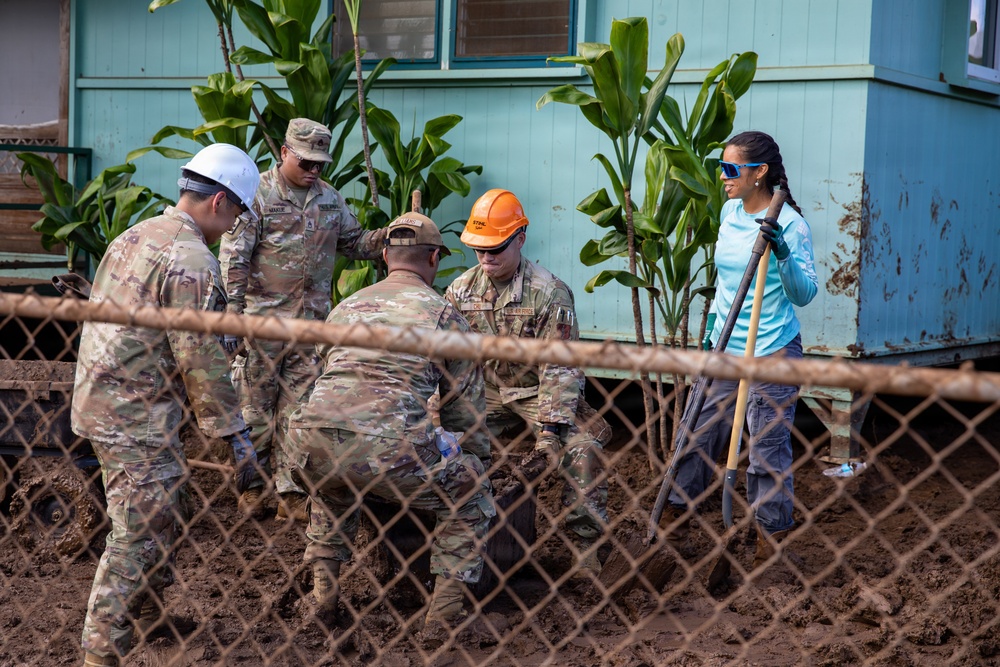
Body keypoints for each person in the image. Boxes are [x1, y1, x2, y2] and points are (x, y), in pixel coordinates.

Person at [72, 143, 260, 666]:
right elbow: (199, 355)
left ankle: (148, 614)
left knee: (164, 504)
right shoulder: (193, 259)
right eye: (238, 213)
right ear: (219, 202)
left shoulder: (136, 233)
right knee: (137, 531)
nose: (235, 226)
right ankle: (100, 653)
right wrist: (234, 435)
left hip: (105, 396)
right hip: (137, 412)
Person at [285, 212, 495, 638]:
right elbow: (463, 412)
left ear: (384, 256)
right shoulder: (444, 315)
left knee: (332, 486)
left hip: (312, 439)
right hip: (390, 449)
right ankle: (444, 617)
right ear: (434, 258)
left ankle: (324, 598)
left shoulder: (346, 308)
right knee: (471, 492)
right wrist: (475, 461)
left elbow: (321, 381)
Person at [220, 118, 388, 523]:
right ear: (284, 152)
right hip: (261, 326)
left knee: (300, 413)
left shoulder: (329, 199)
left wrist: (390, 237)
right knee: (254, 411)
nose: (313, 171)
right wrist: (233, 314)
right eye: (306, 162)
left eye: (320, 164)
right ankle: (252, 488)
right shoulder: (257, 195)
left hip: (310, 328)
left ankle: (290, 491)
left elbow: (354, 242)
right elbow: (235, 257)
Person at [665, 130, 818, 567]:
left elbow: (805, 294)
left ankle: (771, 542)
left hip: (772, 347)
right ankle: (673, 524)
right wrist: (712, 330)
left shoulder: (790, 223)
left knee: (766, 450)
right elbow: (727, 285)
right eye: (721, 167)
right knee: (695, 433)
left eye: (731, 169)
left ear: (760, 173)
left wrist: (784, 254)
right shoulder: (731, 212)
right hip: (725, 343)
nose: (722, 177)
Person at [445, 189, 611, 577]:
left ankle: (586, 549)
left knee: (583, 448)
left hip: (539, 391)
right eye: (479, 249)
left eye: (496, 248)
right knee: (435, 442)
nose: (487, 258)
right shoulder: (460, 291)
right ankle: (451, 537)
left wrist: (551, 431)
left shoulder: (549, 293)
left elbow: (561, 367)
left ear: (520, 238)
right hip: (483, 391)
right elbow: (448, 360)